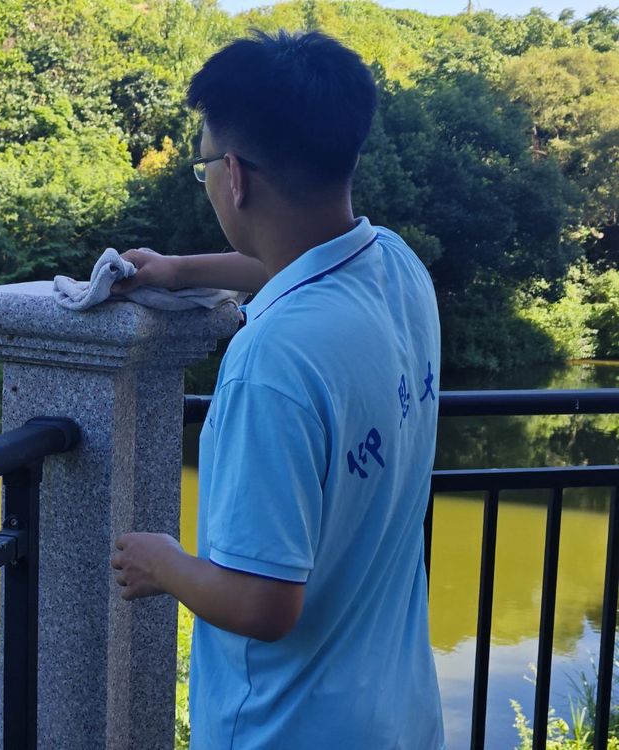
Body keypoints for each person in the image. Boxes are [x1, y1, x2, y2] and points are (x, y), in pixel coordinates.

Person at [109, 30, 445, 749]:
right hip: (398, 716)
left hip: (288, 730)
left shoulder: (273, 363)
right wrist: (181, 270)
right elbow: (295, 265)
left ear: (233, 176)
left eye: (204, 166)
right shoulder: (397, 266)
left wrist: (162, 562)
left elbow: (264, 604)